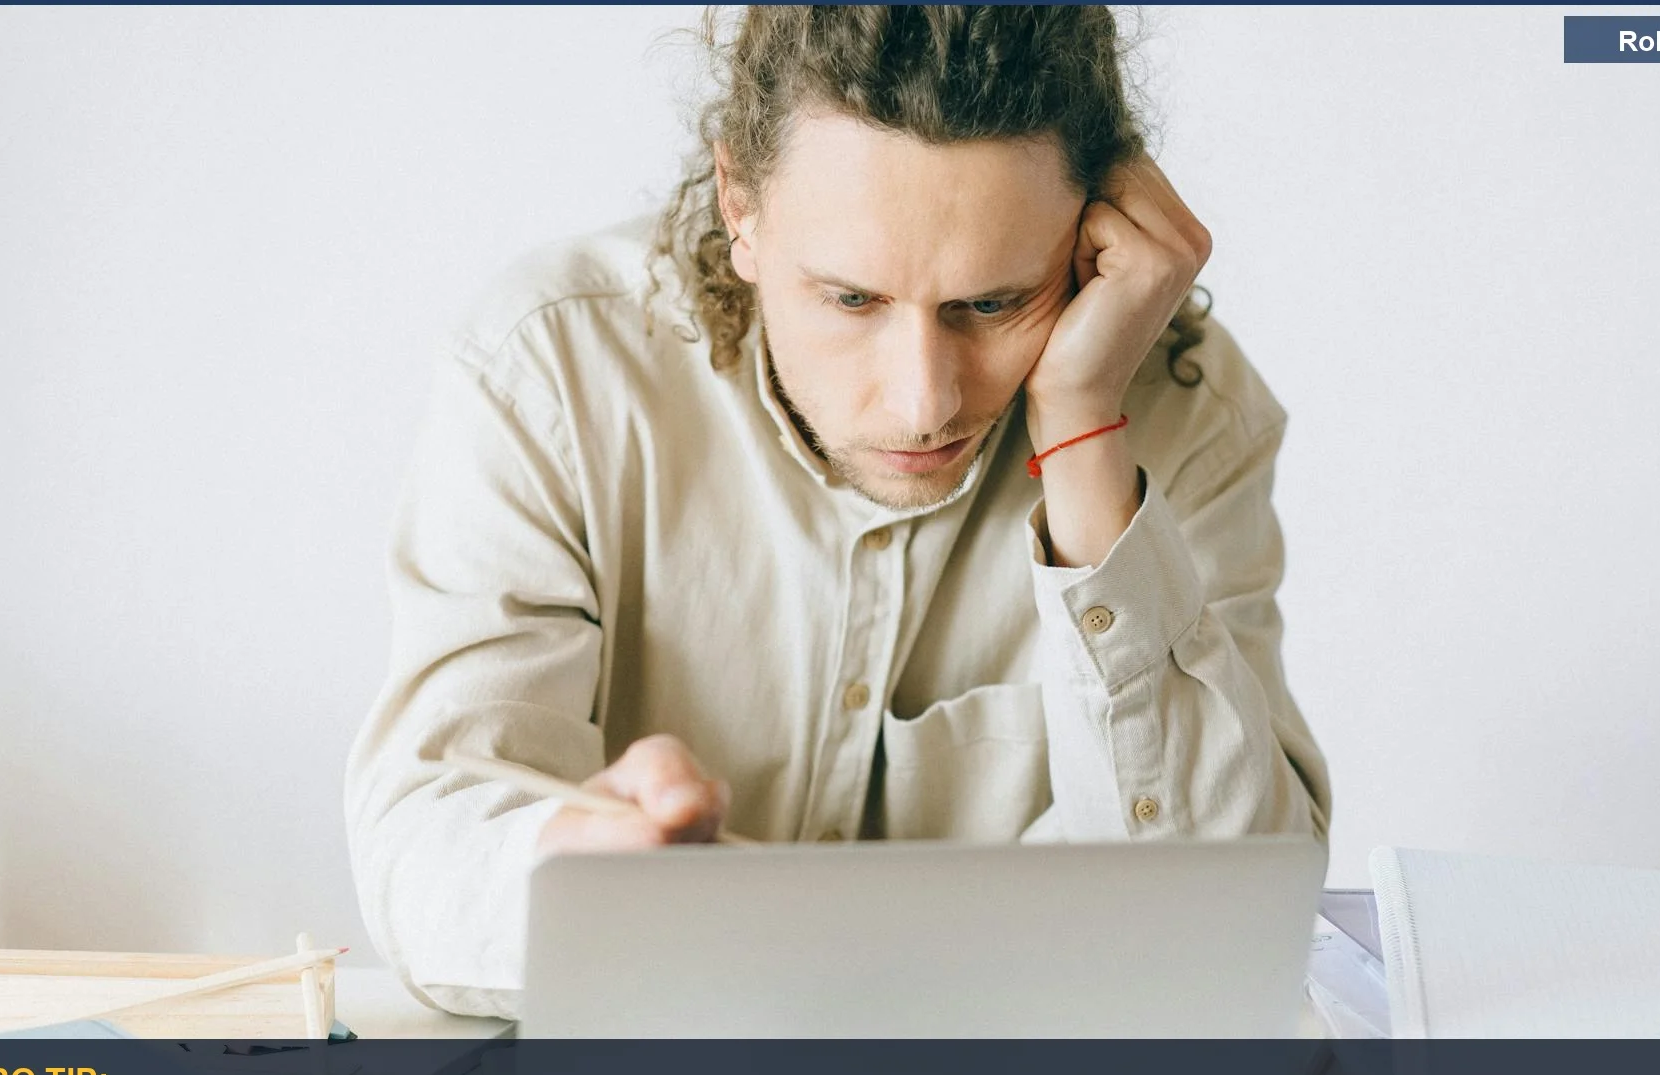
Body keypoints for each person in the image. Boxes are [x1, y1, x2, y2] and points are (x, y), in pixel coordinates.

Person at [346, 5, 1330, 1018]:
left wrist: (1083, 434)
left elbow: (1225, 918)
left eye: (992, 303)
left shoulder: (1182, 415)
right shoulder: (551, 373)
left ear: (1088, 245)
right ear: (740, 204)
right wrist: (570, 877)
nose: (923, 401)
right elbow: (426, 845)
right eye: (850, 300)